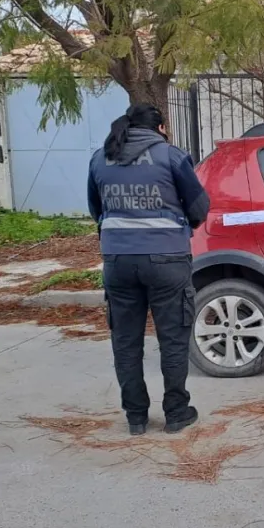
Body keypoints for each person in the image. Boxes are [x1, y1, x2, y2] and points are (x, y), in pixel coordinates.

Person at [87, 103, 210, 436]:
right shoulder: (170, 156)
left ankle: (136, 417)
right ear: (160, 128)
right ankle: (176, 413)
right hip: (167, 260)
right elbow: (199, 207)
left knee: (125, 342)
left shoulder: (101, 158)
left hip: (118, 262)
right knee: (172, 339)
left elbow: (96, 209)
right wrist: (181, 223)